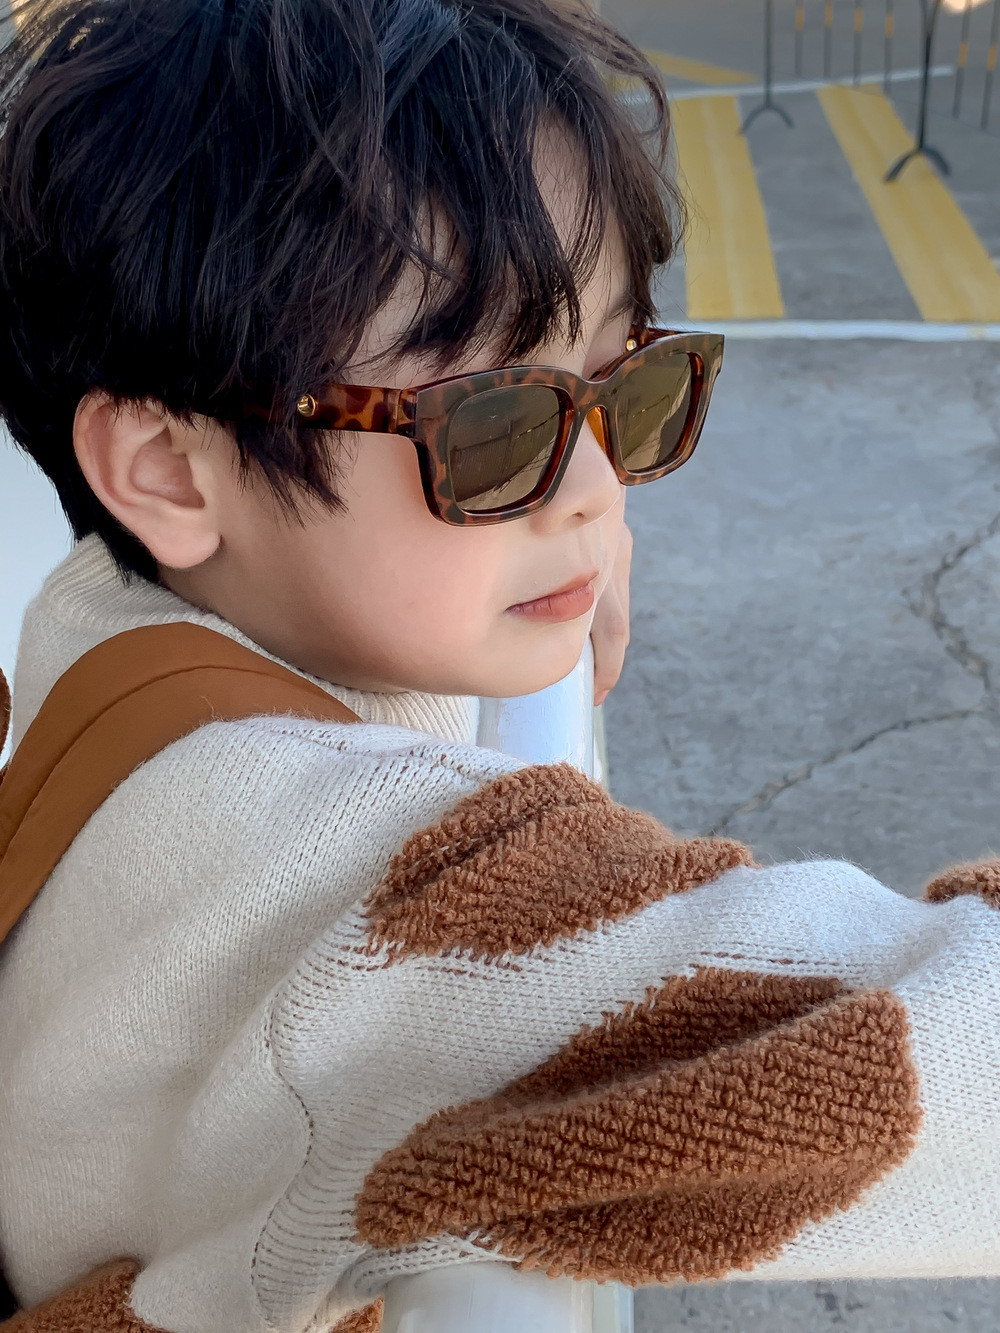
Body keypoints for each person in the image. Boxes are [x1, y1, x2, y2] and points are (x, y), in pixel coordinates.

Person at [0, 0, 998, 1330]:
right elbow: (927, 1056)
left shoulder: (106, 622)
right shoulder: (349, 897)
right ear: (172, 472)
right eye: (495, 427)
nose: (593, 490)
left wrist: (536, 515)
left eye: (625, 389)